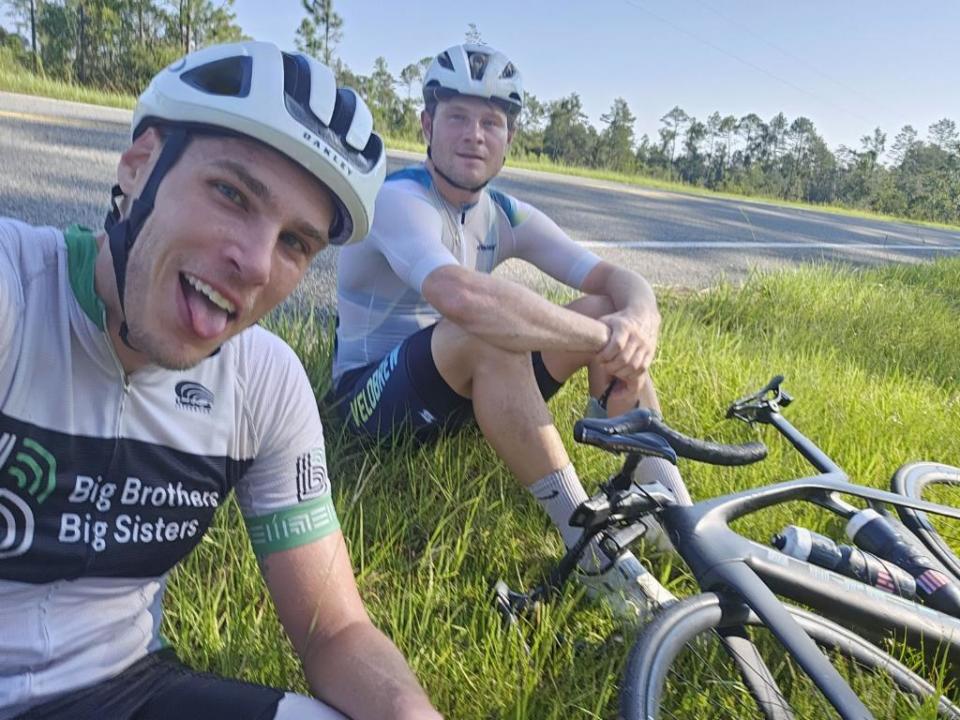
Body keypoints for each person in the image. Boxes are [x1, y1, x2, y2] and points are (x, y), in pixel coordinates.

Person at [0, 41, 441, 720]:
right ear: (140, 165)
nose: (256, 263)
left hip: (126, 689)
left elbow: (334, 630)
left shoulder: (264, 381)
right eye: (232, 193)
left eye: (296, 242)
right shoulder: (15, 294)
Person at [330, 43, 692, 621]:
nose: (474, 134)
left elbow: (613, 278)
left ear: (508, 138)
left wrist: (639, 318)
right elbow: (462, 297)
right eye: (456, 117)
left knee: (604, 306)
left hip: (460, 393)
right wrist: (600, 340)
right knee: (485, 326)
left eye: (491, 122)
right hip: (369, 402)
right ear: (426, 124)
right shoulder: (397, 199)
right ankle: (590, 549)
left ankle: (673, 512)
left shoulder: (503, 212)